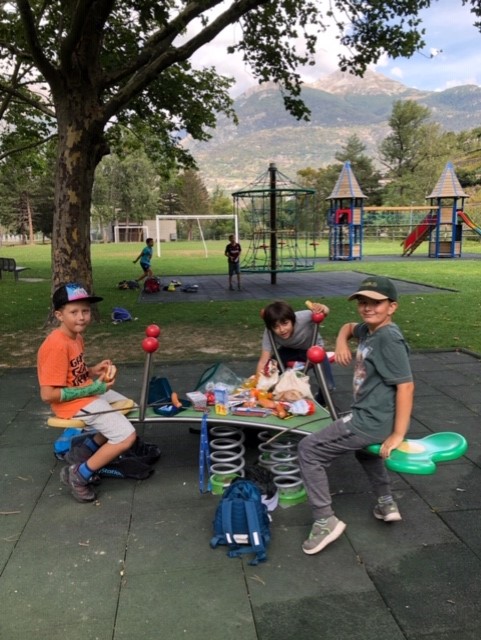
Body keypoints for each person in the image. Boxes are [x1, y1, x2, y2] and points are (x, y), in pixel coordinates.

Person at [297, 275, 414, 555]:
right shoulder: (370, 330)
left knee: (308, 450)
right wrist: (341, 341)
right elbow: (349, 327)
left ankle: (325, 520)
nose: (367, 308)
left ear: (392, 306)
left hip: (370, 420)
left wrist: (398, 434)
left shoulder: (388, 339)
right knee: (366, 453)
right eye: (362, 302)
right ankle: (385, 502)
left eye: (376, 303)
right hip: (372, 414)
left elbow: (406, 386)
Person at [37, 283, 137, 503]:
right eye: (74, 312)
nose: (81, 317)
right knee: (126, 436)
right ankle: (78, 475)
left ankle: (84, 451)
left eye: (85, 311)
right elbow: (48, 394)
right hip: (71, 404)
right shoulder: (56, 345)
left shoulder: (75, 337)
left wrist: (92, 370)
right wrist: (94, 388)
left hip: (85, 394)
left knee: (130, 408)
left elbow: (73, 373)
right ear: (59, 315)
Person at [257, 300, 332, 404]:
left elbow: (325, 312)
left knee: (328, 386)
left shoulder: (304, 317)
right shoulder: (269, 332)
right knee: (271, 368)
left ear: (293, 320)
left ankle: (320, 402)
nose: (282, 329)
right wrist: (258, 384)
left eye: (285, 323)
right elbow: (263, 361)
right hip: (289, 350)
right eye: (276, 326)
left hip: (313, 349)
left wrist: (322, 307)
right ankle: (276, 395)